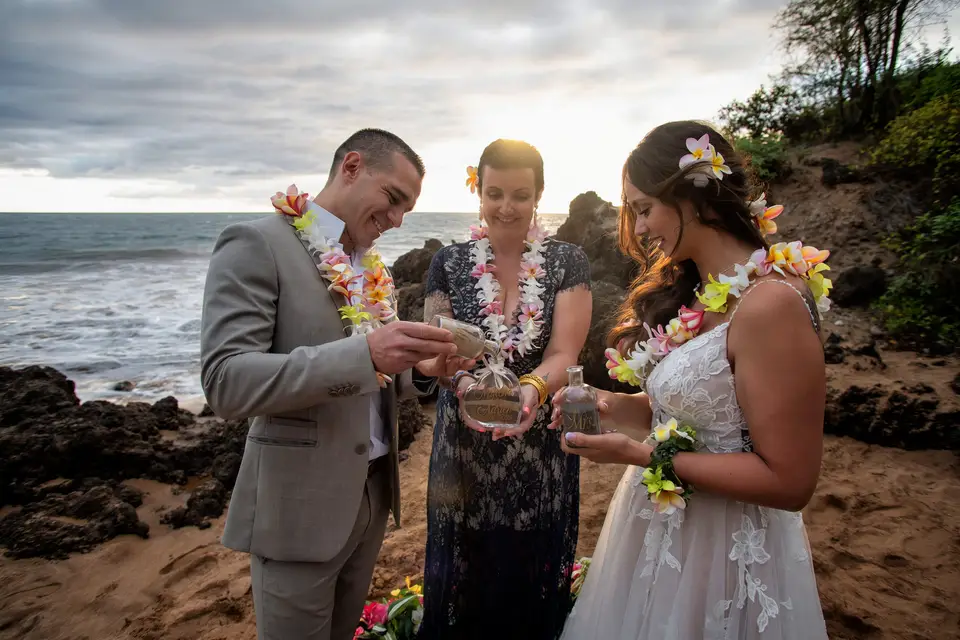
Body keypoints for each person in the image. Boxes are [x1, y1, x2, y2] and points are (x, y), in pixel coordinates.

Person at [553, 121, 831, 639]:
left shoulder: (770, 304)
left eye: (643, 208)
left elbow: (791, 482)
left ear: (694, 191)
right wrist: (610, 403)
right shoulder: (701, 298)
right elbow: (681, 414)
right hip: (656, 532)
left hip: (722, 550)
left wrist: (641, 456)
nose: (637, 230)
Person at [200, 128, 469, 640]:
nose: (396, 220)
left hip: (372, 499)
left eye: (407, 211)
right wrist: (365, 354)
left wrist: (420, 373)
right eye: (393, 199)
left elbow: (374, 375)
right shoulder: (256, 243)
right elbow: (226, 381)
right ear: (351, 166)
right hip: (300, 509)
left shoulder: (369, 265)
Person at [417, 139, 593, 640]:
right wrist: (466, 382)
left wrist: (532, 389)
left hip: (537, 445)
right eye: (494, 192)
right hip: (464, 444)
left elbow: (563, 352)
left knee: (528, 572)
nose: (506, 207)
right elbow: (437, 352)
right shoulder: (447, 263)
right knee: (466, 570)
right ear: (478, 190)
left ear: (539, 193)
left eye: (520, 194)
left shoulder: (568, 262)